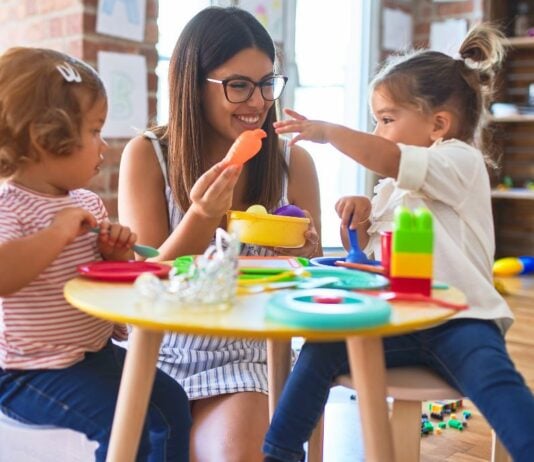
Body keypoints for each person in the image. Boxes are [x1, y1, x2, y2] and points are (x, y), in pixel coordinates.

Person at [262, 24, 534, 462]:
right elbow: (373, 260)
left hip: (462, 320)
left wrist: (331, 133)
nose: (378, 131)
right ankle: (278, 453)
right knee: (321, 347)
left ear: (438, 125)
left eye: (386, 119)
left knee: (500, 387)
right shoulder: (390, 189)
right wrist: (362, 219)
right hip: (396, 322)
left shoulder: (461, 161)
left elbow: (390, 157)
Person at [118, 6, 322, 462]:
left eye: (267, 83)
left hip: (247, 357)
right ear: (193, 84)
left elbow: (305, 284)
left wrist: (305, 256)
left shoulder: (293, 165)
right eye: (238, 86)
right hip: (160, 351)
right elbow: (146, 282)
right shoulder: (147, 156)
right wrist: (200, 216)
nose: (258, 102)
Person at [0, 47, 192, 462]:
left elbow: (106, 283)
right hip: (28, 371)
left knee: (173, 405)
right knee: (126, 426)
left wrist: (115, 255)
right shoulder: (9, 204)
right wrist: (57, 232)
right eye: (94, 131)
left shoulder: (87, 202)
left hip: (92, 354)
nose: (103, 146)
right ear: (45, 137)